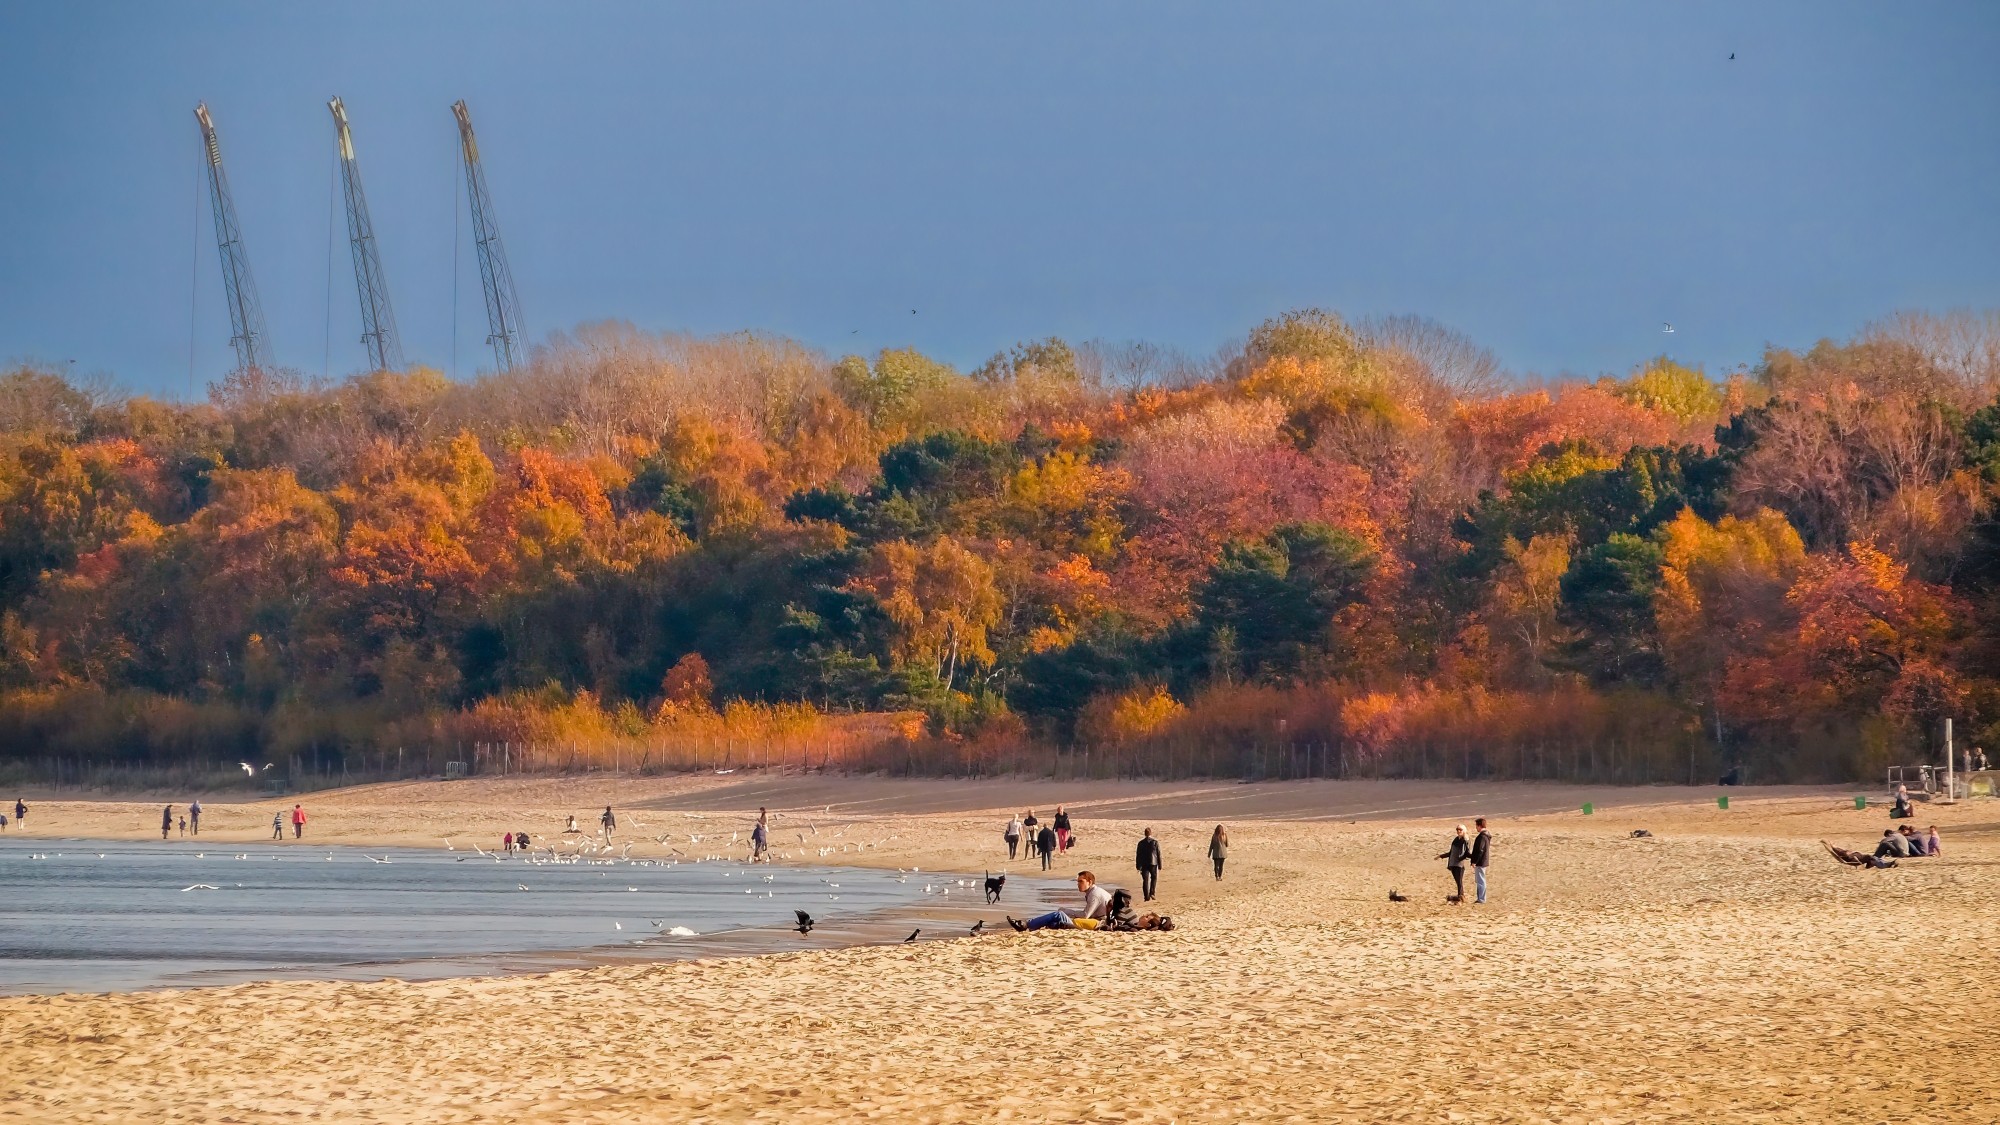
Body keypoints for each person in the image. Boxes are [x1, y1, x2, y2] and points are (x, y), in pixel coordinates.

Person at [1011, 870, 1113, 931]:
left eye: (1081, 881)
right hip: (1097, 922)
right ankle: (1030, 926)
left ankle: (1026, 925)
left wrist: (1066, 911)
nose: (1078, 884)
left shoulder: (1095, 894)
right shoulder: (1093, 892)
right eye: (1078, 882)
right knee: (1054, 923)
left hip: (1098, 924)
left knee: (1059, 915)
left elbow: (1086, 915)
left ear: (1090, 882)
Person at [1438, 824, 1471, 903]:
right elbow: (1451, 852)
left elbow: (1467, 853)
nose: (1458, 831)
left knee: (1459, 881)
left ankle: (1461, 896)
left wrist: (1475, 859)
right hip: (1452, 864)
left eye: (1460, 829)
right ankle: (1461, 896)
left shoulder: (1466, 840)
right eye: (1457, 829)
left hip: (1459, 864)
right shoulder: (1456, 840)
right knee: (1457, 881)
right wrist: (1441, 856)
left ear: (1464, 830)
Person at [1135, 827, 1163, 902]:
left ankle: (1146, 897)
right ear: (1151, 833)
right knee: (1154, 878)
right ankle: (1152, 893)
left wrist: (1138, 866)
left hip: (1144, 864)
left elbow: (1138, 855)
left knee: (1145, 880)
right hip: (1153, 863)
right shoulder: (1155, 842)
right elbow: (1158, 853)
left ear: (1145, 833)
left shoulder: (1141, 843)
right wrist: (1160, 865)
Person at [1470, 817, 1493, 904]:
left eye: (1476, 826)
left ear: (1479, 826)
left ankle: (1481, 899)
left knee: (1481, 881)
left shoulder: (1482, 837)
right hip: (1482, 861)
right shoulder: (1485, 836)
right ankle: (1480, 898)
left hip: (1481, 862)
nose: (1476, 828)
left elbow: (1480, 850)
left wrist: (1475, 861)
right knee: (1480, 880)